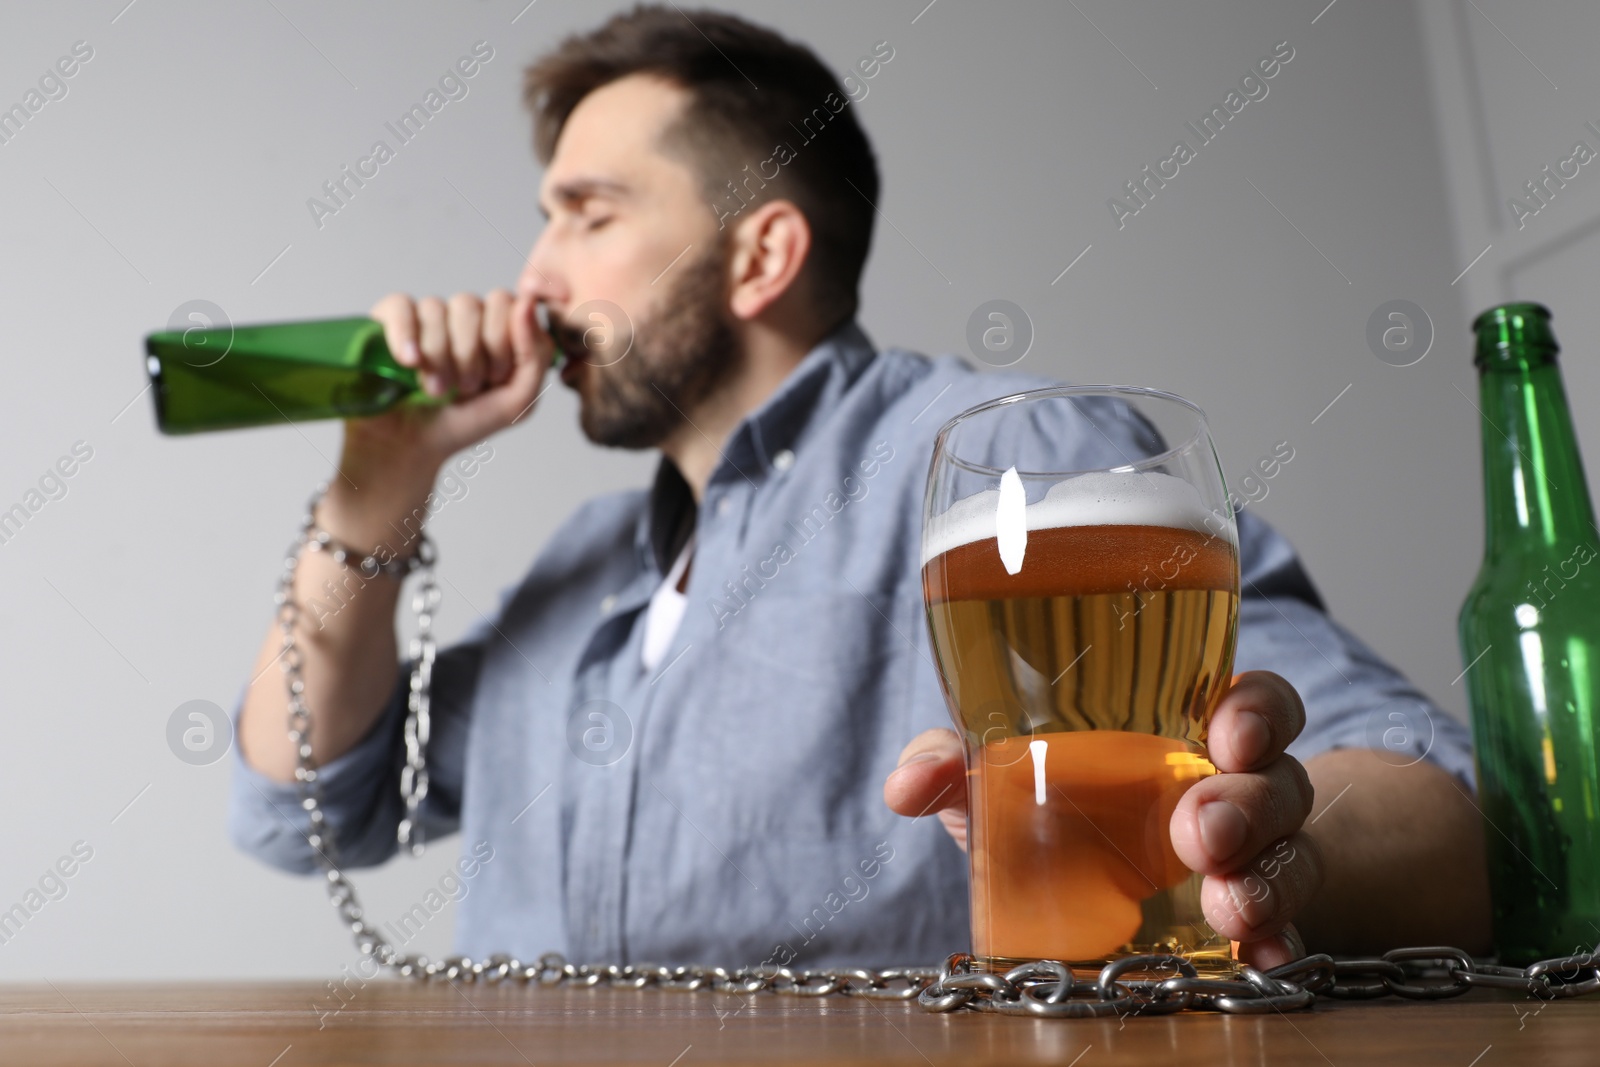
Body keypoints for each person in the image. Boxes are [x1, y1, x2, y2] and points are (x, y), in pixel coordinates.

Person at [229, 5, 1490, 971]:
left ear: (761, 253)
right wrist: (375, 484)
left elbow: (1438, 811)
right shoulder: (584, 563)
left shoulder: (1007, 466)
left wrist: (1281, 855)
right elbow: (300, 815)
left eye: (588, 214)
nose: (533, 276)